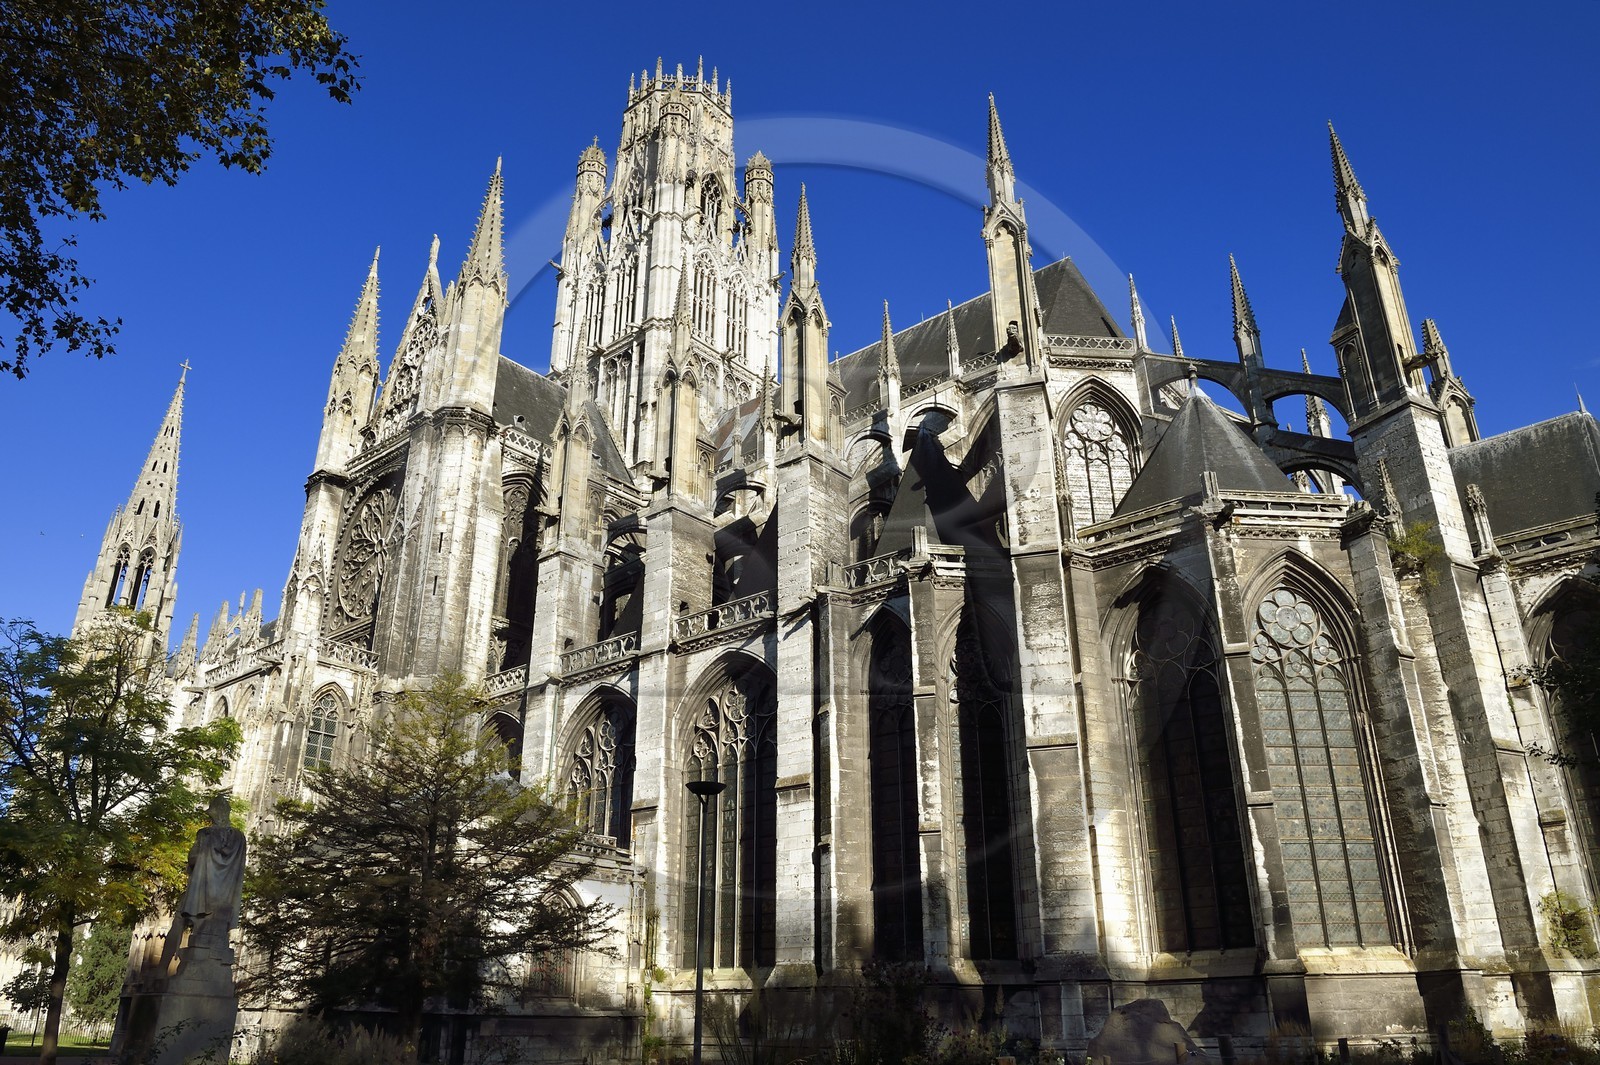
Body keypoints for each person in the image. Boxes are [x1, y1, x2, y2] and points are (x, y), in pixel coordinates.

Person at [179, 795, 247, 941]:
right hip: (226, 901)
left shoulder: (206, 834)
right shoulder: (238, 838)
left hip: (203, 898)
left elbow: (193, 858)